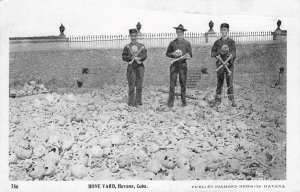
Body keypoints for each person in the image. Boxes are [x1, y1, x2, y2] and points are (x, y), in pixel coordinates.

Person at [166, 24, 192, 107]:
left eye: (180, 32)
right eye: (177, 32)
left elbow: (190, 55)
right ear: (176, 32)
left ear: (183, 32)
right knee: (172, 84)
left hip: (183, 65)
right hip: (174, 65)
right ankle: (170, 103)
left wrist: (185, 57)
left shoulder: (187, 43)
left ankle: (184, 103)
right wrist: (173, 54)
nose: (179, 33)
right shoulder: (172, 43)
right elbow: (167, 53)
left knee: (183, 84)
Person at [211, 23, 237, 107]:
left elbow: (234, 53)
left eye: (225, 29)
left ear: (228, 30)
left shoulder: (231, 42)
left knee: (230, 81)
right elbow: (212, 53)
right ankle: (217, 99)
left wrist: (231, 56)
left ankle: (231, 99)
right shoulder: (217, 42)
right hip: (220, 64)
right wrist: (219, 53)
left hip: (229, 64)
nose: (223, 31)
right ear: (220, 30)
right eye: (222, 29)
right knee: (220, 82)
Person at [122, 29, 147, 106]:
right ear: (130, 36)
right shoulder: (127, 47)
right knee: (131, 85)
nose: (133, 37)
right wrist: (131, 58)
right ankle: (131, 103)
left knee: (139, 85)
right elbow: (124, 57)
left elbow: (144, 55)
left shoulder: (141, 46)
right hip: (131, 67)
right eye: (132, 35)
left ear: (136, 35)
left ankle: (138, 102)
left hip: (140, 67)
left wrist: (139, 58)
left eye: (134, 35)